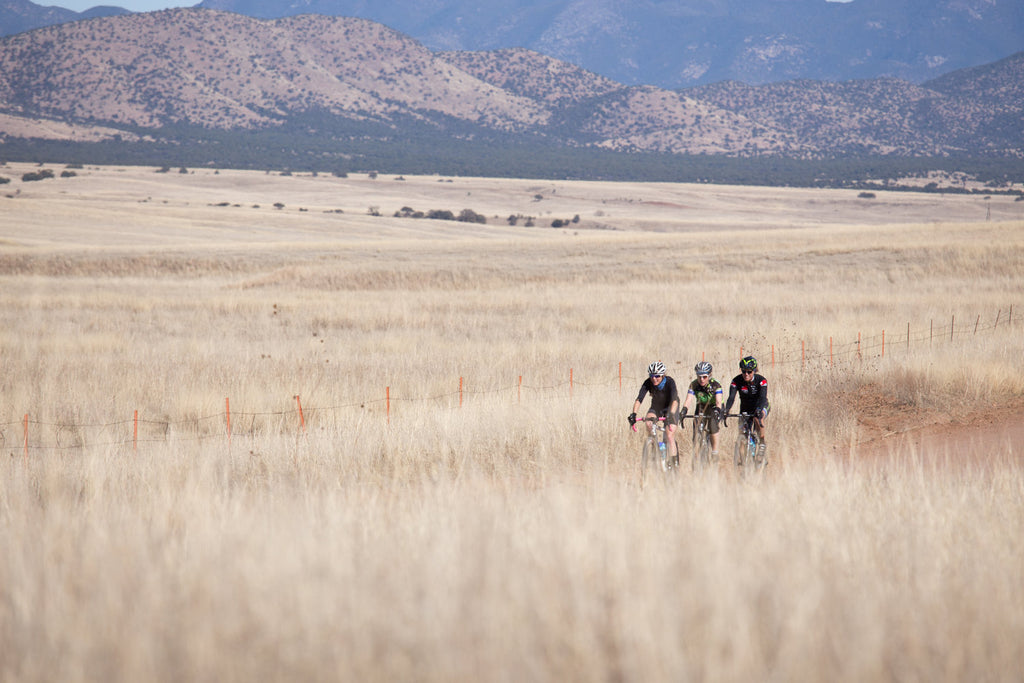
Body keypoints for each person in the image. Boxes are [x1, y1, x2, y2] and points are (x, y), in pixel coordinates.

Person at [628, 361, 681, 467]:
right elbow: (639, 399)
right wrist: (633, 414)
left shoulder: (670, 382)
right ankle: (653, 445)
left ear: (663, 375)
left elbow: (675, 399)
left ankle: (674, 464)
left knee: (669, 435)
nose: (654, 378)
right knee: (648, 423)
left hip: (671, 407)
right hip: (656, 407)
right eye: (652, 376)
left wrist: (671, 415)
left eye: (657, 376)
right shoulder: (648, 382)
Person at [723, 355, 770, 461]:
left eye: (749, 372)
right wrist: (726, 410)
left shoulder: (761, 380)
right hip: (745, 408)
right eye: (743, 371)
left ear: (754, 371)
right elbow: (731, 398)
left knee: (758, 418)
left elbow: (763, 398)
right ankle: (744, 464)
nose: (746, 374)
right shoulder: (736, 381)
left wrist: (759, 410)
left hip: (761, 405)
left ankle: (762, 443)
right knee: (742, 433)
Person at [679, 361, 724, 460]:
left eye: (704, 377)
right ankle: (697, 456)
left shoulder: (716, 385)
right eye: (699, 376)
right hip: (701, 406)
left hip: (715, 407)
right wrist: (683, 412)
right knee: (696, 427)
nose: (702, 379)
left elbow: (718, 402)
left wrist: (717, 412)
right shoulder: (694, 384)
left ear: (709, 375)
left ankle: (715, 452)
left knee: (713, 426)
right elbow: (688, 400)